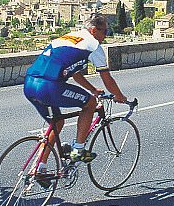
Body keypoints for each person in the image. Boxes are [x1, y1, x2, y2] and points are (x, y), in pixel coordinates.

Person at [23, 13, 131, 170]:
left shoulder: (69, 37)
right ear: (94, 30)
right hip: (50, 87)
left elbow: (74, 72)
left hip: (30, 84)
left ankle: (40, 168)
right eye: (104, 32)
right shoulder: (93, 46)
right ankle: (78, 150)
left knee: (57, 123)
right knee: (90, 103)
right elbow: (107, 78)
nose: (105, 36)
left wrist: (92, 89)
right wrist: (119, 96)